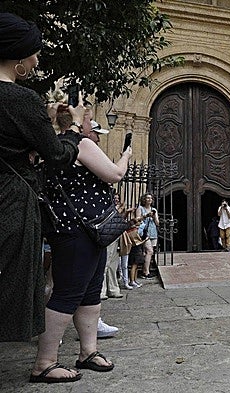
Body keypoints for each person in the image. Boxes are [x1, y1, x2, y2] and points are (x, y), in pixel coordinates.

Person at [30, 94, 132, 383]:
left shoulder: (50, 146)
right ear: (78, 120)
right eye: (89, 118)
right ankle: (44, 362)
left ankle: (88, 351)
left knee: (88, 291)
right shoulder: (78, 144)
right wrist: (125, 155)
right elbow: (114, 174)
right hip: (81, 229)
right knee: (68, 294)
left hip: (77, 230)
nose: (92, 125)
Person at [0, 12, 85, 343]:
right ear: (20, 56)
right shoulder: (22, 99)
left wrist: (41, 121)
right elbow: (58, 155)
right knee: (11, 279)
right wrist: (73, 127)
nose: (37, 61)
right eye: (35, 53)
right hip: (10, 199)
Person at [136, 193, 159, 279]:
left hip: (153, 231)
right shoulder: (140, 208)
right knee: (150, 251)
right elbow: (137, 219)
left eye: (151, 198)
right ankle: (146, 272)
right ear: (144, 200)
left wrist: (154, 217)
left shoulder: (154, 209)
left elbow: (157, 223)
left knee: (148, 252)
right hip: (144, 232)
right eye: (147, 198)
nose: (149, 200)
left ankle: (144, 269)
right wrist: (146, 216)